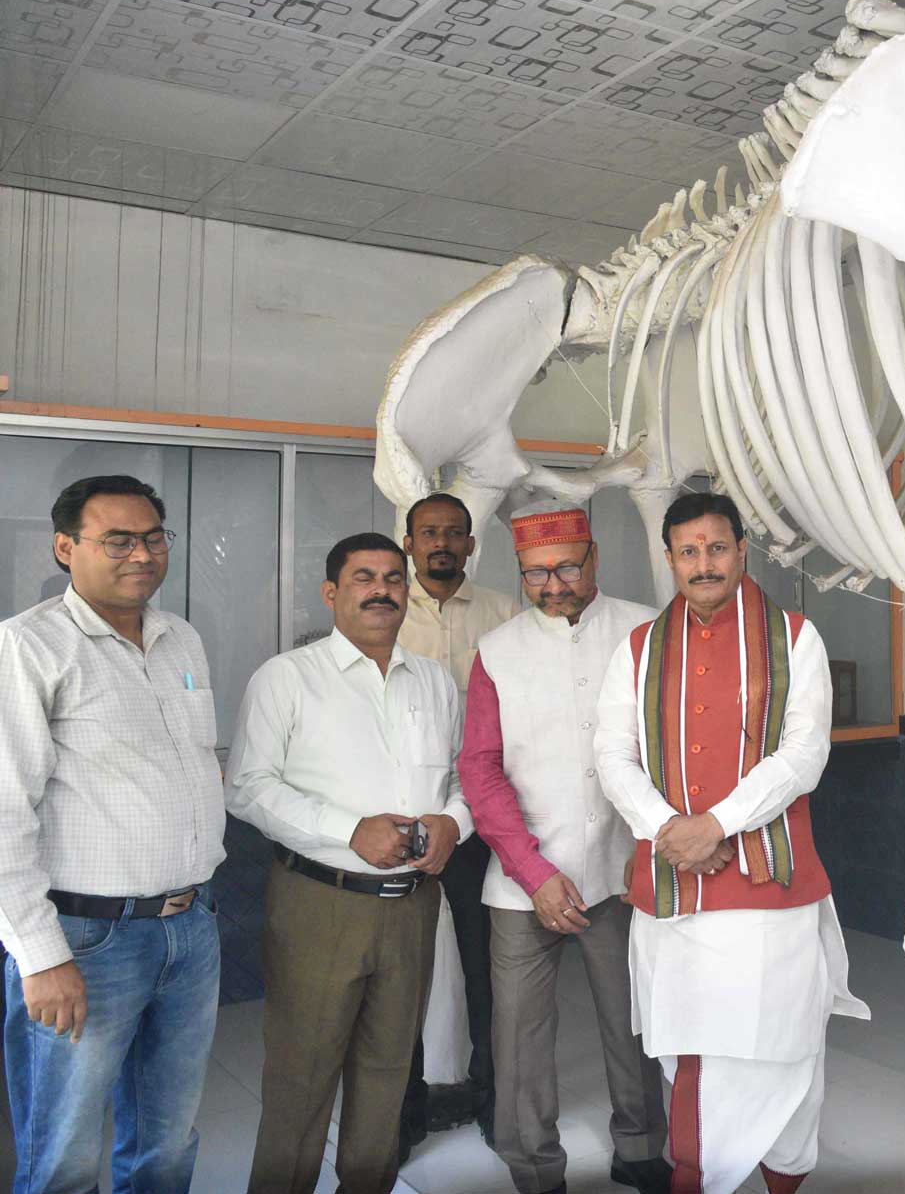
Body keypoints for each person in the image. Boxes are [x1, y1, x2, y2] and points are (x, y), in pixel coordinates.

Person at [595, 491, 868, 1194]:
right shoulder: (638, 648)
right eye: (689, 551)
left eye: (717, 547)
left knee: (784, 1045)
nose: (704, 563)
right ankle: (698, 1175)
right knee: (690, 1050)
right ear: (670, 559)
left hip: (769, 890)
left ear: (742, 550)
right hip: (674, 890)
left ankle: (781, 1180)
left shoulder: (796, 637)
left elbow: (805, 754)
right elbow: (612, 756)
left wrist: (715, 825)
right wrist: (670, 831)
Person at [227, 531, 472, 1194]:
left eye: (393, 578)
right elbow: (247, 786)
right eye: (364, 577)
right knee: (301, 1080)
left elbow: (461, 777)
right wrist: (349, 830)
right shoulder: (288, 677)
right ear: (332, 592)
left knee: (389, 1075)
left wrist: (454, 821)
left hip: (412, 905)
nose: (381, 590)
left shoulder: (434, 680)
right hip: (320, 903)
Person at [0, 474, 225, 1194]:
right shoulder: (28, 646)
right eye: (118, 540)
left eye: (154, 537)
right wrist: (41, 957)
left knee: (168, 1140)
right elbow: (5, 812)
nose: (143, 554)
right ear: (66, 547)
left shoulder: (180, 637)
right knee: (63, 1155)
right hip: (86, 938)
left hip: (190, 926)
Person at [457, 507, 677, 1194]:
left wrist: (648, 845)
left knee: (631, 1017)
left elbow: (668, 749)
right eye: (534, 573)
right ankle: (534, 1165)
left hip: (622, 867)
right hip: (523, 879)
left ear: (595, 557)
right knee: (519, 1035)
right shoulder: (497, 650)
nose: (552, 585)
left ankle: (640, 1147)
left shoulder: (646, 630)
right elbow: (480, 769)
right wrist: (533, 871)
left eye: (566, 567)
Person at [398, 490, 519, 1145]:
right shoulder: (386, 612)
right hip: (403, 817)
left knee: (486, 964)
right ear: (410, 542)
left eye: (453, 533)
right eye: (428, 532)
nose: (441, 543)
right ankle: (405, 1109)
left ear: (471, 544)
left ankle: (493, 1097)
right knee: (401, 971)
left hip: (480, 814)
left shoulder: (505, 614)